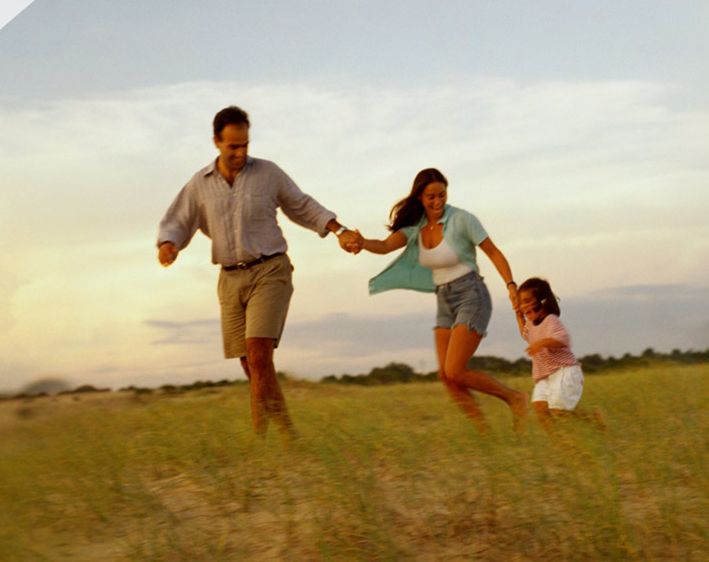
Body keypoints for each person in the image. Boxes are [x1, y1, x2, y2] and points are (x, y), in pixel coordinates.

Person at [156, 106, 363, 438]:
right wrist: (169, 244)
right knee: (251, 365)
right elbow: (179, 220)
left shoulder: (268, 173)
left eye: (245, 145)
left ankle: (258, 444)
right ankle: (288, 438)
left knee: (258, 354)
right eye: (233, 146)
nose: (240, 153)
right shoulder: (200, 184)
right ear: (216, 142)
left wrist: (339, 231)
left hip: (270, 271)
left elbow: (302, 204)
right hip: (229, 279)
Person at [346, 168, 529, 430]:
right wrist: (362, 243)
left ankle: (515, 398)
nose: (438, 201)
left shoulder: (463, 219)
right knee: (446, 376)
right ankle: (485, 434)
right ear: (420, 197)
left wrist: (511, 285)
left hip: (472, 295)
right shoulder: (416, 226)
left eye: (442, 194)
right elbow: (385, 246)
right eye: (431, 196)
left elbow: (493, 252)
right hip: (443, 299)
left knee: (455, 370)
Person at [511, 278, 592, 430]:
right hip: (545, 375)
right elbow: (525, 333)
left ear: (542, 302)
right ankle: (560, 444)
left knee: (559, 409)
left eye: (527, 301)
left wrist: (542, 343)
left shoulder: (551, 320)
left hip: (564, 371)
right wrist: (518, 316)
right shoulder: (531, 323)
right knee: (540, 408)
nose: (523, 306)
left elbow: (563, 338)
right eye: (521, 303)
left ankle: (592, 420)